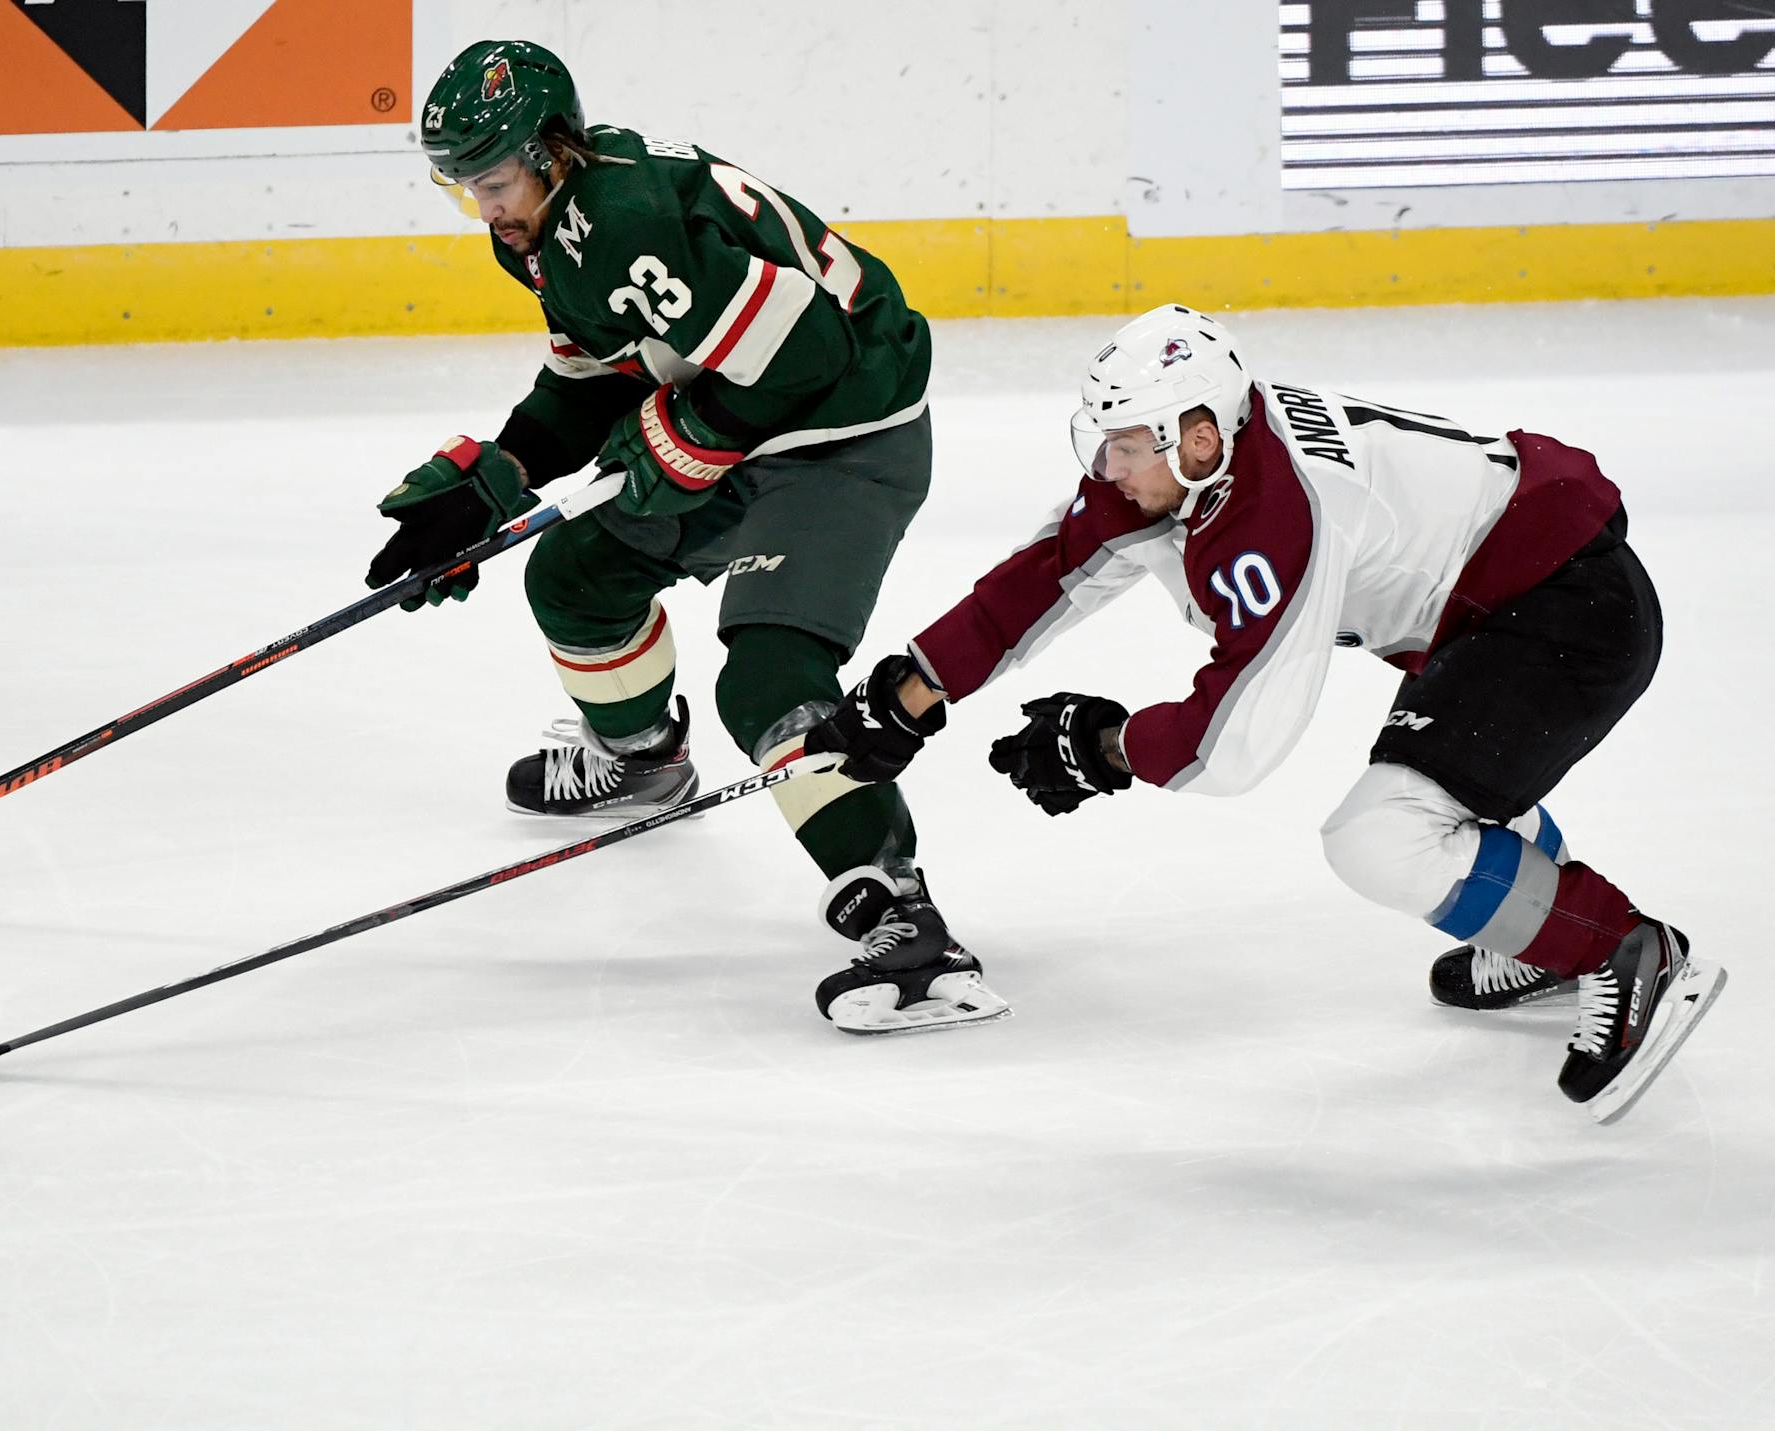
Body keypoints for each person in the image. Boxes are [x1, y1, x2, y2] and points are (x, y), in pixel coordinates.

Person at [803, 302, 1725, 1121]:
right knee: (1439, 784)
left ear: (1198, 438)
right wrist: (909, 689)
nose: (1106, 464)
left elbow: (1233, 743)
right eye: (1106, 438)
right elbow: (1050, 574)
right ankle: (1539, 933)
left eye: (1126, 442)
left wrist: (1108, 745)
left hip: (1568, 617)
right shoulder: (1203, 460)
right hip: (1504, 612)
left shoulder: (1276, 518)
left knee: (1383, 835)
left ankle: (1619, 948)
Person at [363, 40, 1005, 1035]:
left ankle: (907, 920)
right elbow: (604, 371)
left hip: (844, 434)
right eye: (467, 190)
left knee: (767, 675)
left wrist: (687, 435)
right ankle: (643, 756)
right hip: (750, 414)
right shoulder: (548, 226)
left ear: (553, 151)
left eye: (493, 181)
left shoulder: (621, 219)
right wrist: (498, 475)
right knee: (576, 575)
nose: (485, 208)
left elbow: (809, 351)